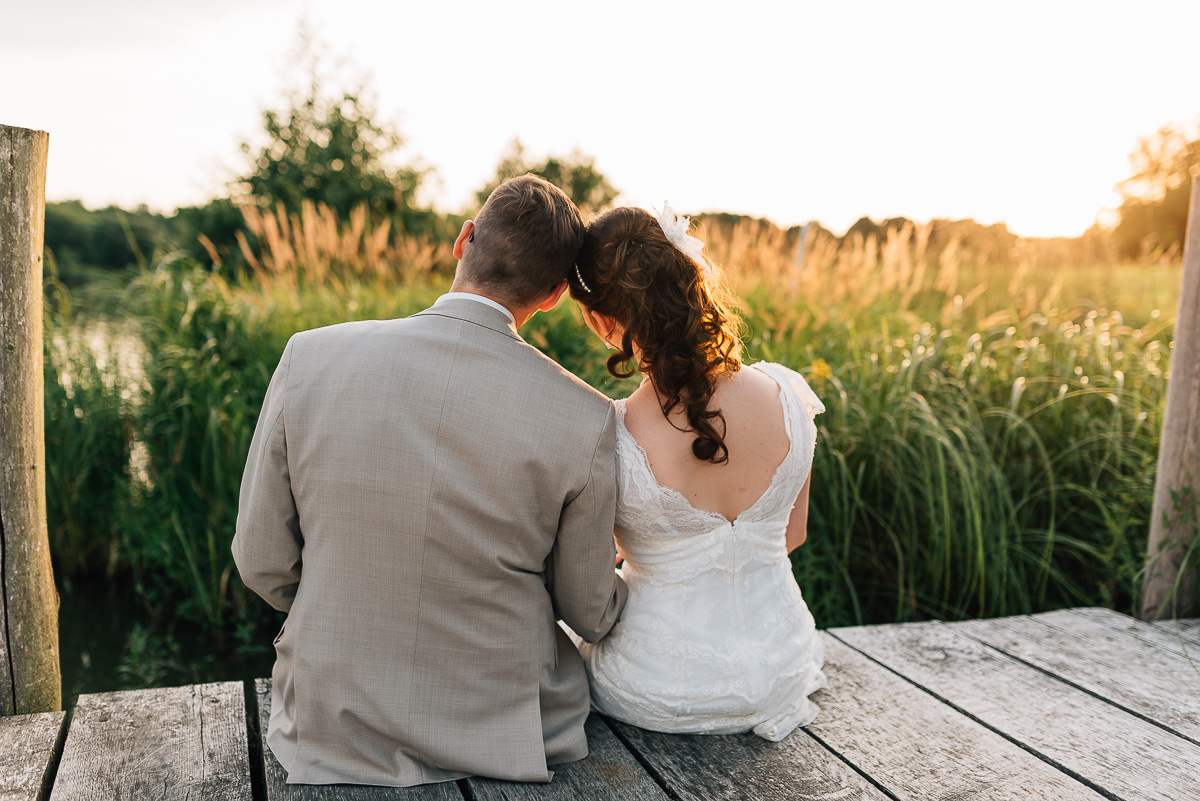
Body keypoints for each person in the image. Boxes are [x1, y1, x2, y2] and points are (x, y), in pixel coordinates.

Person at [232, 175, 627, 787]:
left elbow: (260, 561)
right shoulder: (587, 415)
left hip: (329, 721)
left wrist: (350, 605)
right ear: (553, 294)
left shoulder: (308, 357)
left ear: (462, 239)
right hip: (513, 732)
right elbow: (589, 611)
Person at [564, 204, 827, 742]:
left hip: (657, 688)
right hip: (783, 669)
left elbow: (586, 591)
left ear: (601, 319)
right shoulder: (787, 394)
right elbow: (791, 535)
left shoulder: (607, 431)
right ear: (691, 282)